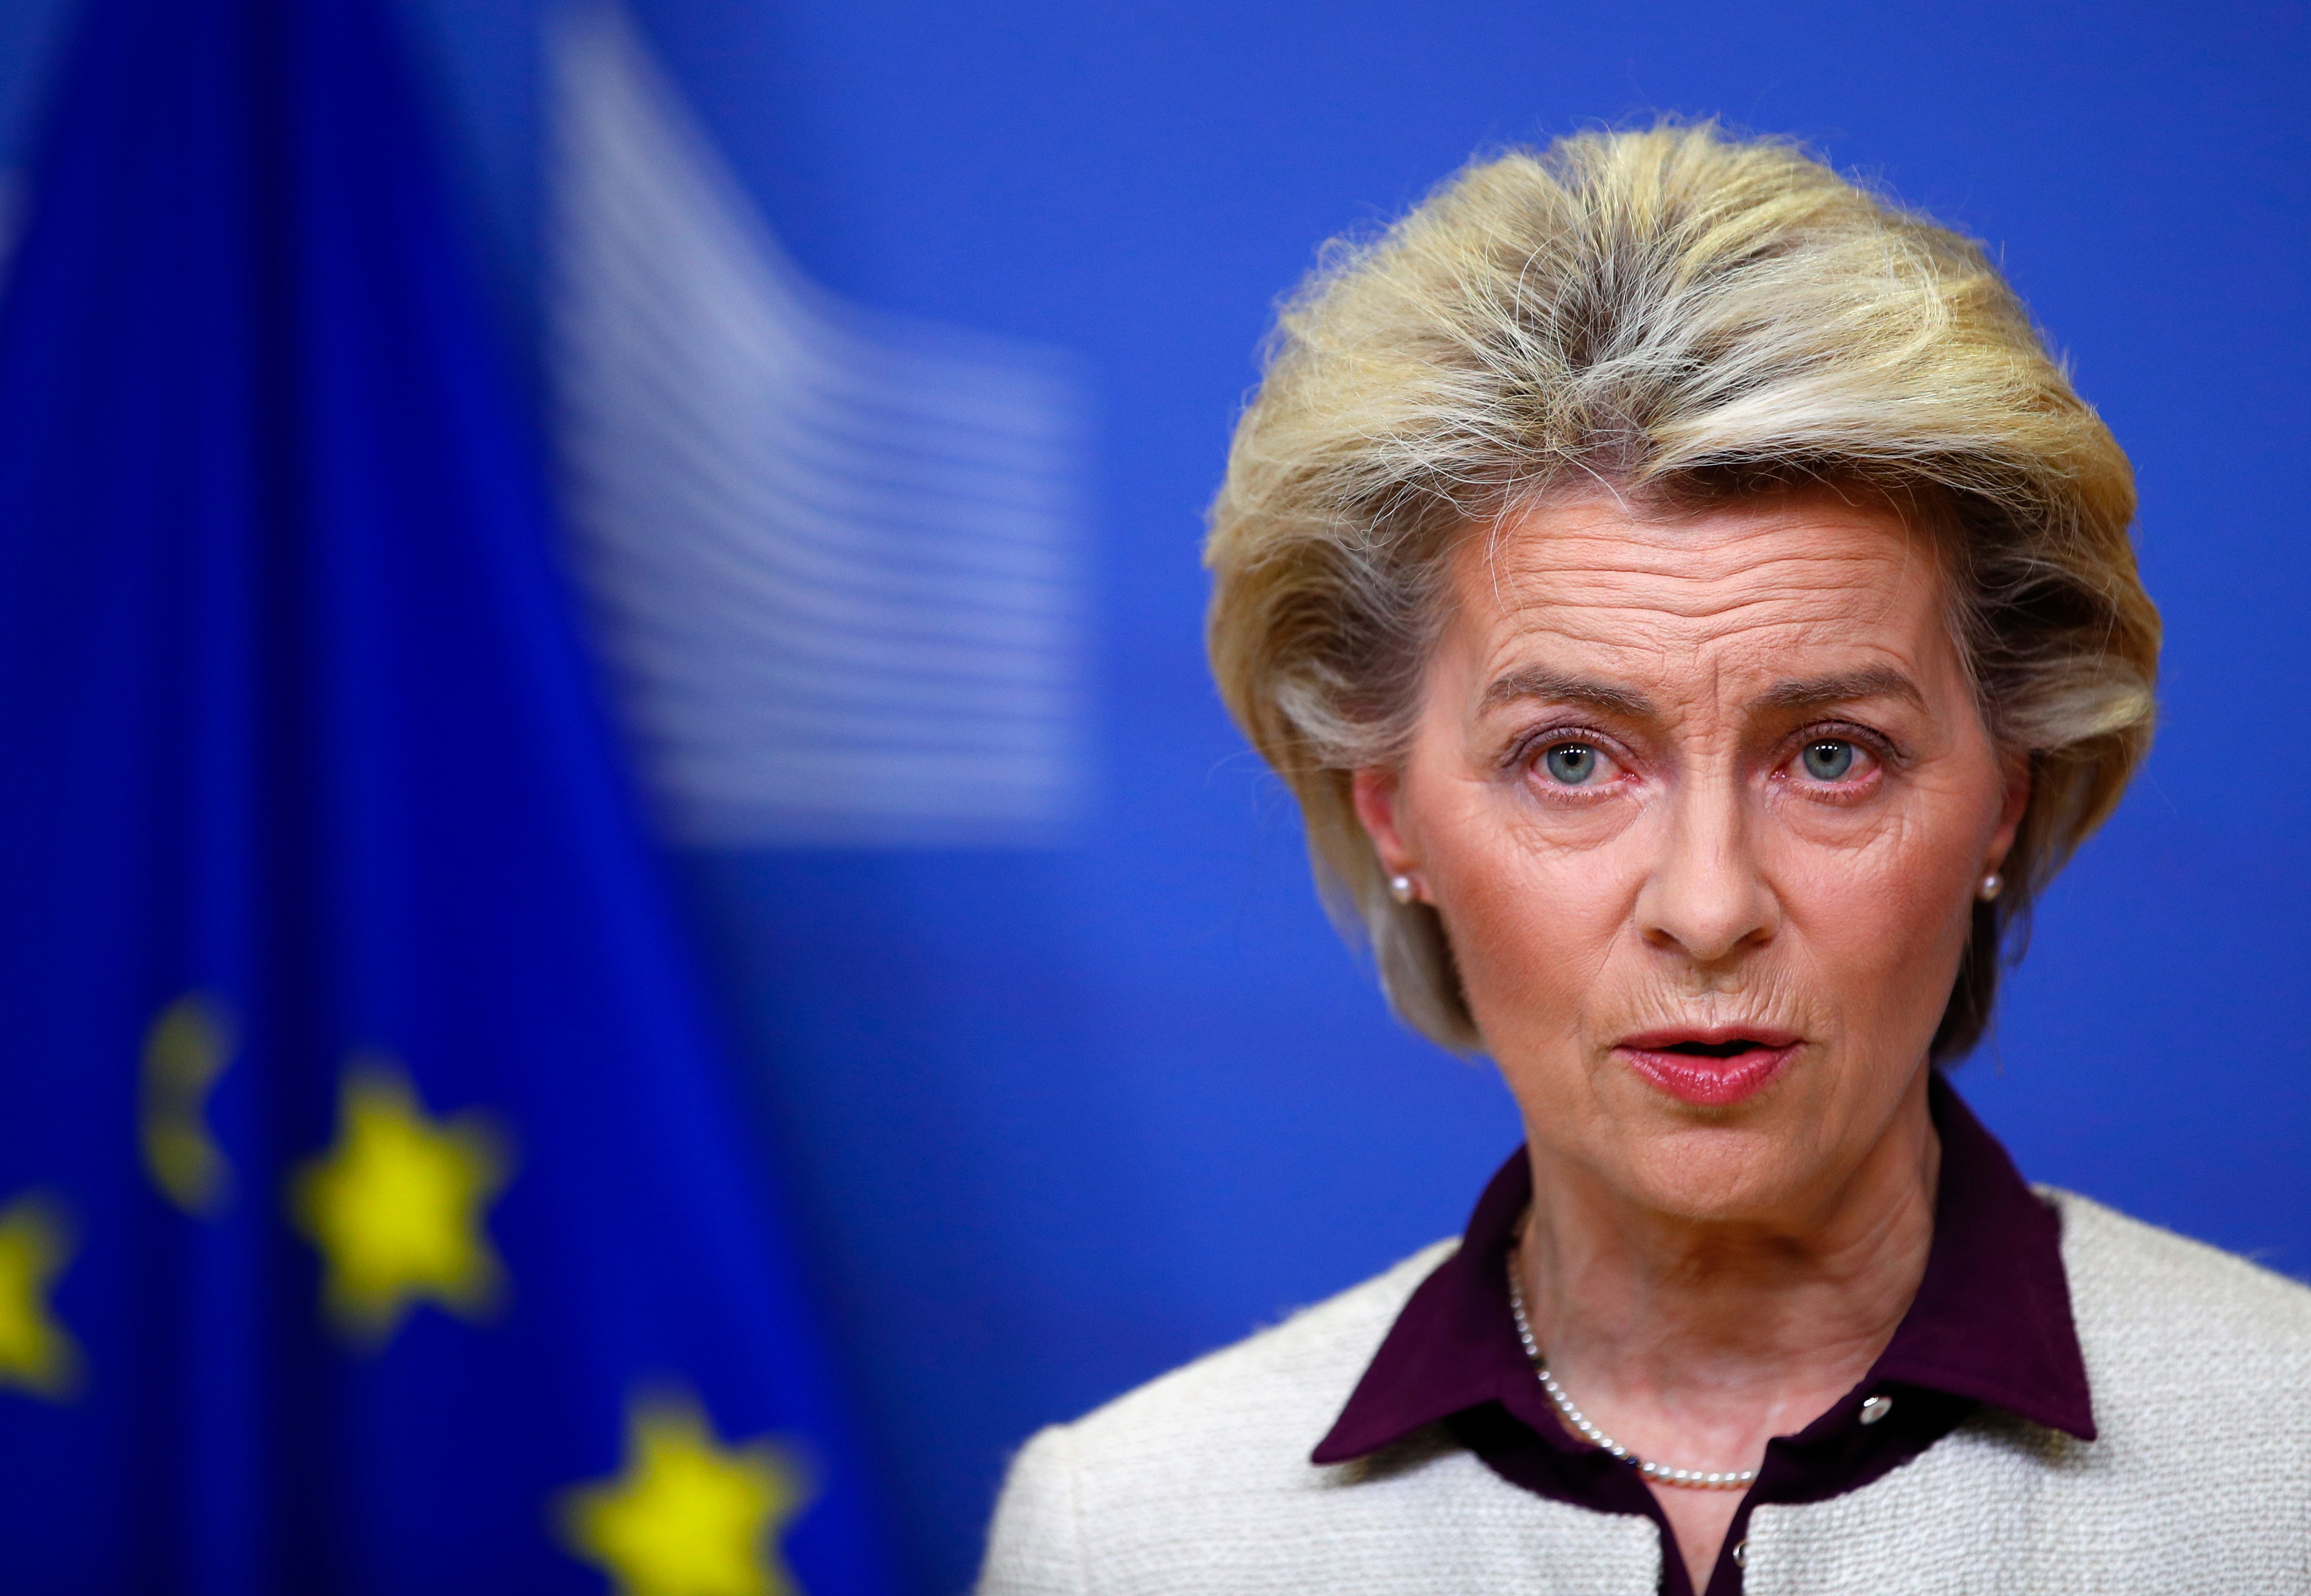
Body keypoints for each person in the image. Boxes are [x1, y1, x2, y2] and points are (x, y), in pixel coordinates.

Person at [976, 124, 2311, 1595]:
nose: (1707, 906)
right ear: (1390, 812)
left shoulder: (2281, 1469)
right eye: (1569, 759)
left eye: (1830, 756)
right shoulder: (1133, 1534)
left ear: (2004, 795)